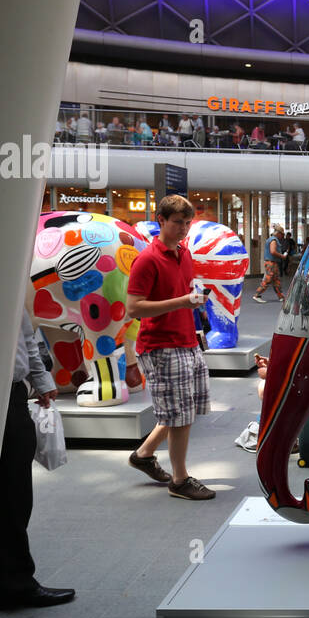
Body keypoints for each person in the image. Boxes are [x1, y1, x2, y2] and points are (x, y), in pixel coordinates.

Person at [0, 310, 77, 618]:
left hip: (11, 392)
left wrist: (40, 378)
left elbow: (25, 331)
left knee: (14, 494)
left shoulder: (6, 271)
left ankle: (15, 583)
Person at [126, 194, 216, 501]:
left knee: (182, 409)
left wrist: (195, 316)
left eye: (187, 222)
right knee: (180, 415)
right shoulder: (147, 259)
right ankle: (179, 480)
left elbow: (183, 294)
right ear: (161, 220)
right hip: (161, 346)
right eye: (178, 222)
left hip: (186, 340)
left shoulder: (184, 253)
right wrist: (183, 302)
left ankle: (143, 454)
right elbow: (134, 308)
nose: (184, 228)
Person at [254, 225, 287, 303]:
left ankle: (281, 296)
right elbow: (273, 251)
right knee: (268, 279)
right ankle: (257, 294)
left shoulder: (271, 239)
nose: (282, 236)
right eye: (282, 234)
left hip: (273, 263)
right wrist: (282, 256)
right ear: (278, 233)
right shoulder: (274, 240)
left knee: (276, 280)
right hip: (271, 263)